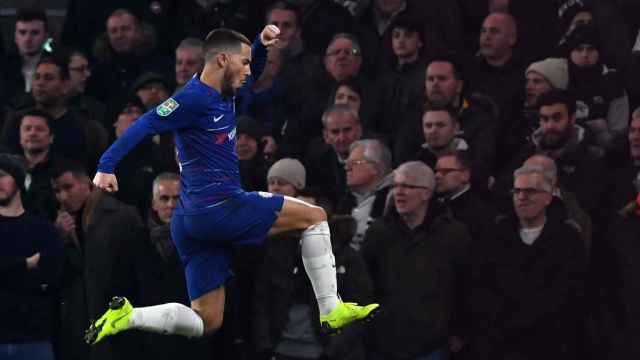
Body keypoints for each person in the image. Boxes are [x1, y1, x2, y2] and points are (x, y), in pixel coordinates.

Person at [86, 26, 379, 346]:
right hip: (219, 208)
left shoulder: (223, 91)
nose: (249, 72)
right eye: (245, 64)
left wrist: (260, 45)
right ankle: (330, 309)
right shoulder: (192, 98)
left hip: (191, 222)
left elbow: (248, 77)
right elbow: (145, 123)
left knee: (207, 320)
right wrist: (105, 166)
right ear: (223, 60)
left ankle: (129, 316)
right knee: (316, 217)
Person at [0, 154, 63, 360]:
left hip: (34, 338)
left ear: (17, 180)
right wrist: (25, 264)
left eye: (2, 175)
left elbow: (51, 277)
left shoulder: (42, 228)